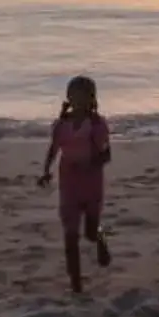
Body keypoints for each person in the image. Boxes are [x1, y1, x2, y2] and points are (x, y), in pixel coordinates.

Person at [37, 75, 113, 294]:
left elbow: (106, 154)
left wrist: (90, 164)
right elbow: (54, 149)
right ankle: (76, 285)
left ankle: (100, 239)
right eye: (75, 95)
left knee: (89, 231)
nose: (79, 100)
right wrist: (46, 171)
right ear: (69, 98)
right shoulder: (61, 125)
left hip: (91, 183)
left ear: (92, 99)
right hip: (68, 183)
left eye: (84, 96)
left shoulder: (97, 125)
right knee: (70, 235)